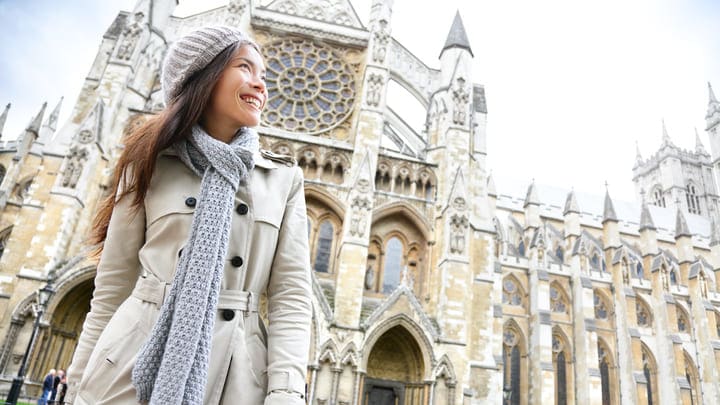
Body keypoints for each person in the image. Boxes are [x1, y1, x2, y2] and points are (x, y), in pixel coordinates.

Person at [65, 26, 312, 404]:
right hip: (126, 370)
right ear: (203, 75)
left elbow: (291, 298)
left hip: (235, 376)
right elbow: (112, 290)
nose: (262, 85)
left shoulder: (283, 178)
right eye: (246, 68)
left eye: (264, 75)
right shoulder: (147, 163)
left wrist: (287, 392)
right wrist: (77, 387)